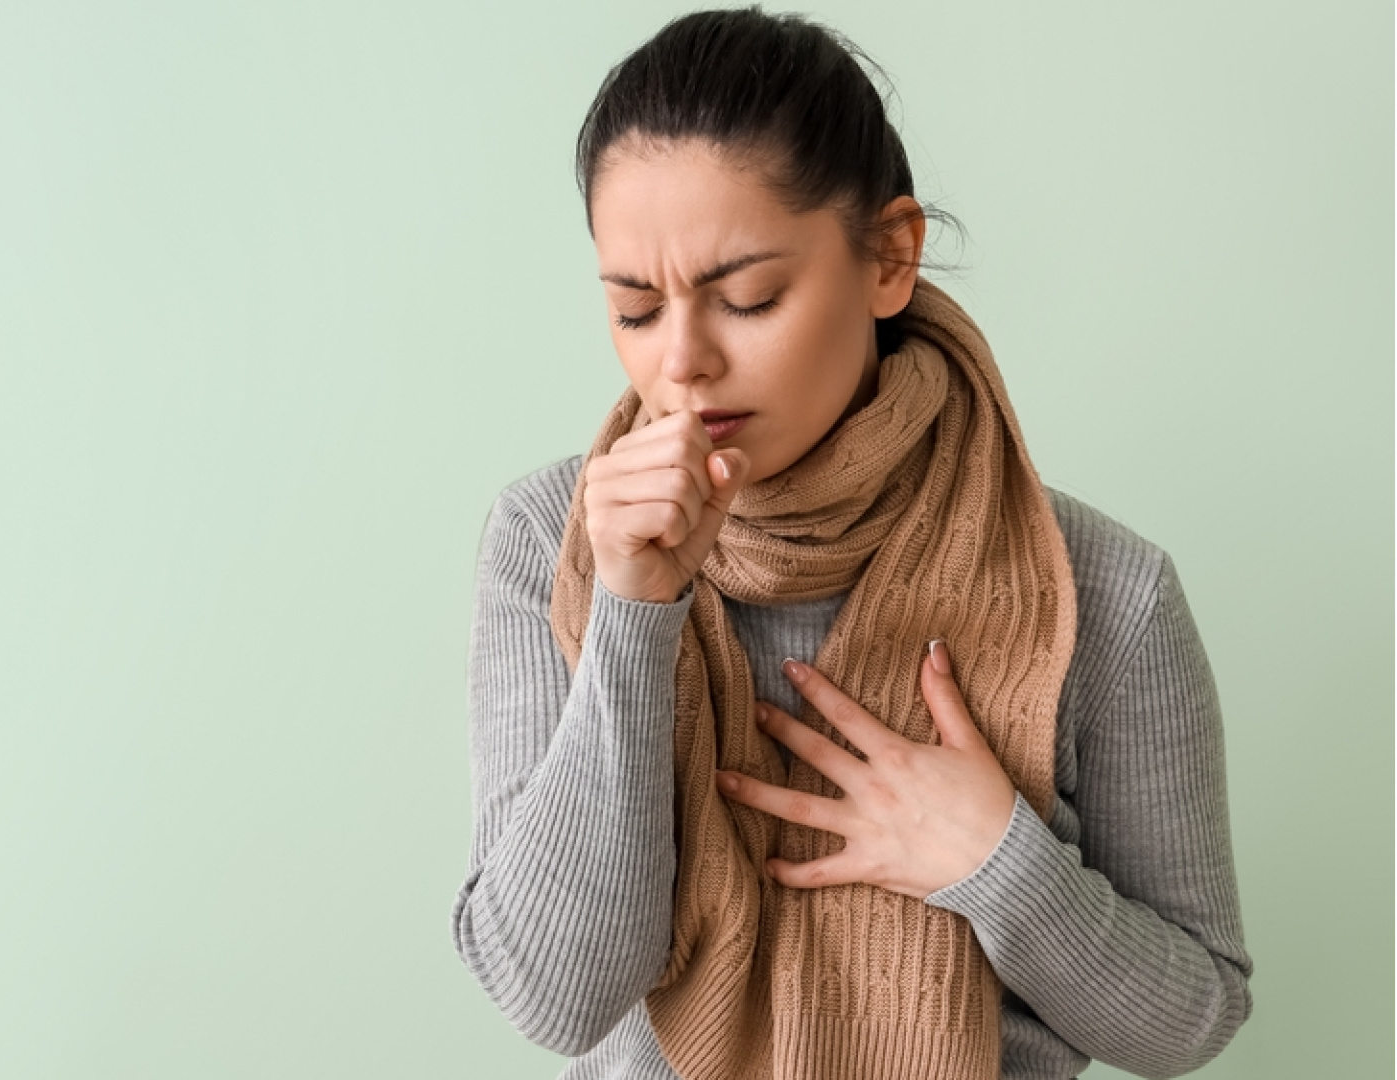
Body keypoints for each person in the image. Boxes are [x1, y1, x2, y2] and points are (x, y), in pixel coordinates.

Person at [449, 8, 1253, 1080]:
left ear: (890, 257)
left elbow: (1190, 1019)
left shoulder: (1103, 587)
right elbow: (554, 995)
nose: (681, 363)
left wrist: (998, 860)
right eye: (636, 310)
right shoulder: (551, 540)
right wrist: (634, 611)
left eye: (747, 299)